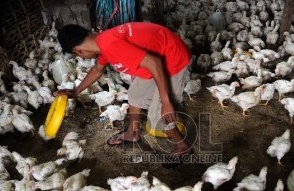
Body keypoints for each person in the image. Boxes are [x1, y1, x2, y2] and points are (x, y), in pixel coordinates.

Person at [55, 22, 192, 167]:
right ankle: (133, 132)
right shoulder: (102, 42)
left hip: (173, 60)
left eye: (78, 55)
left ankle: (183, 147)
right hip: (159, 57)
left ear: (78, 51)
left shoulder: (110, 45)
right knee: (135, 94)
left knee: (160, 116)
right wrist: (76, 91)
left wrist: (165, 101)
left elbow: (154, 62)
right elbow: (97, 69)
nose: (82, 59)